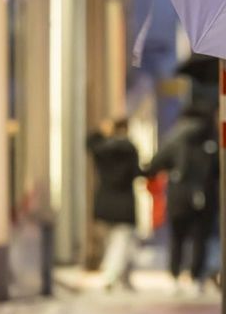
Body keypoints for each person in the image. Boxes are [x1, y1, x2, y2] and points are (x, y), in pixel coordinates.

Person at [145, 104, 219, 294]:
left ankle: (174, 276)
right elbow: (220, 169)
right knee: (200, 238)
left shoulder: (174, 138)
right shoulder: (212, 138)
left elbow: (156, 164)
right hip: (205, 195)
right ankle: (195, 277)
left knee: (177, 237)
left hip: (179, 194)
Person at [86, 118, 142, 292]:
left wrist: (102, 130)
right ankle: (111, 275)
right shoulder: (130, 149)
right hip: (124, 203)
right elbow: (136, 172)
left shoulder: (103, 149)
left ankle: (120, 276)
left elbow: (89, 141)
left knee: (113, 241)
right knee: (121, 242)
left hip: (104, 201)